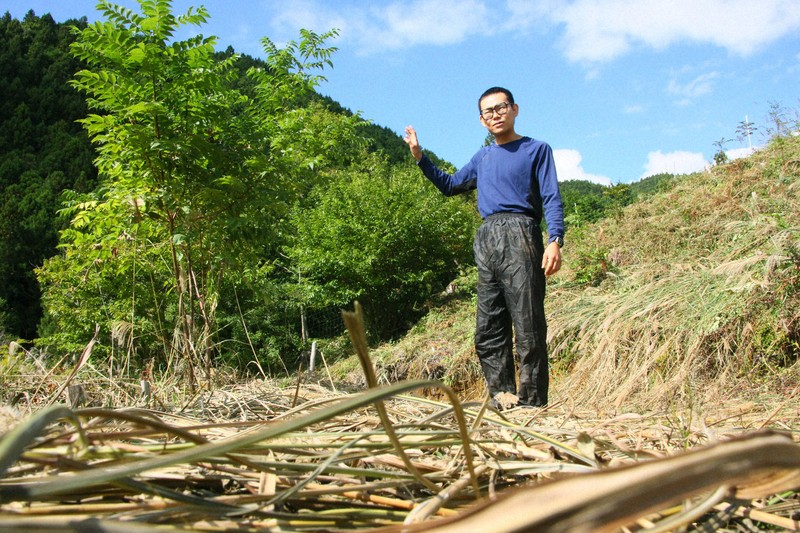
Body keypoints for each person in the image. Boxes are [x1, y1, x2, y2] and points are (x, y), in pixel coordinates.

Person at [404, 87, 564, 408]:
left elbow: (551, 197)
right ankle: (501, 397)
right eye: (488, 111)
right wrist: (420, 157)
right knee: (489, 327)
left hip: (521, 234)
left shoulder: (536, 150)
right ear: (481, 120)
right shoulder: (483, 157)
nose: (495, 114)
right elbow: (450, 185)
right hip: (487, 238)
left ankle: (532, 403)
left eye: (500, 107)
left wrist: (555, 239)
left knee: (528, 324)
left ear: (514, 109)